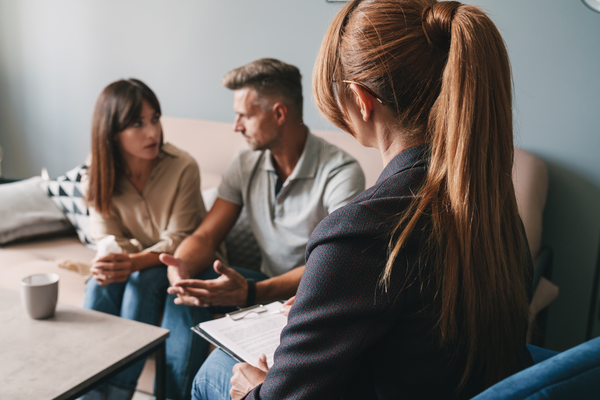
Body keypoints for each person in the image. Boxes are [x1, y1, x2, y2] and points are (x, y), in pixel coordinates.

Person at [194, 1, 535, 399]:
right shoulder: (492, 205)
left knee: (217, 372)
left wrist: (252, 391)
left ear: (361, 98)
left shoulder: (359, 232)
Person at [159, 58, 365, 394]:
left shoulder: (340, 173)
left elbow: (333, 268)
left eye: (244, 115)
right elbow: (208, 233)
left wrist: (253, 292)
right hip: (260, 286)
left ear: (279, 114)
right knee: (185, 290)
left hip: (304, 297)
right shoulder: (246, 161)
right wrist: (181, 264)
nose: (236, 126)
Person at [81, 78, 217, 400]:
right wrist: (118, 262)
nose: (152, 132)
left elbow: (179, 239)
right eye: (138, 124)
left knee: (141, 281)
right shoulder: (97, 171)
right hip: (144, 263)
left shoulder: (182, 166)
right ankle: (84, 383)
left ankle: (112, 394)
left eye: (155, 119)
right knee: (97, 285)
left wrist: (131, 259)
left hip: (188, 264)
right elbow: (106, 238)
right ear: (111, 132)